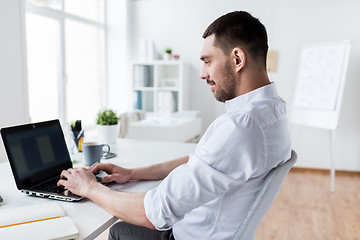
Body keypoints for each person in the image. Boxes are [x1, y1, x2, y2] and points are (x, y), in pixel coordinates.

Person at [58, 11, 291, 240]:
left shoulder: (240, 127)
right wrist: (132, 173)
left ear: (237, 59)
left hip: (188, 235)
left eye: (208, 61)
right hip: (213, 230)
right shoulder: (274, 110)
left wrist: (89, 188)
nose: (203, 74)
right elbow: (201, 160)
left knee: (119, 230)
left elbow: (152, 213)